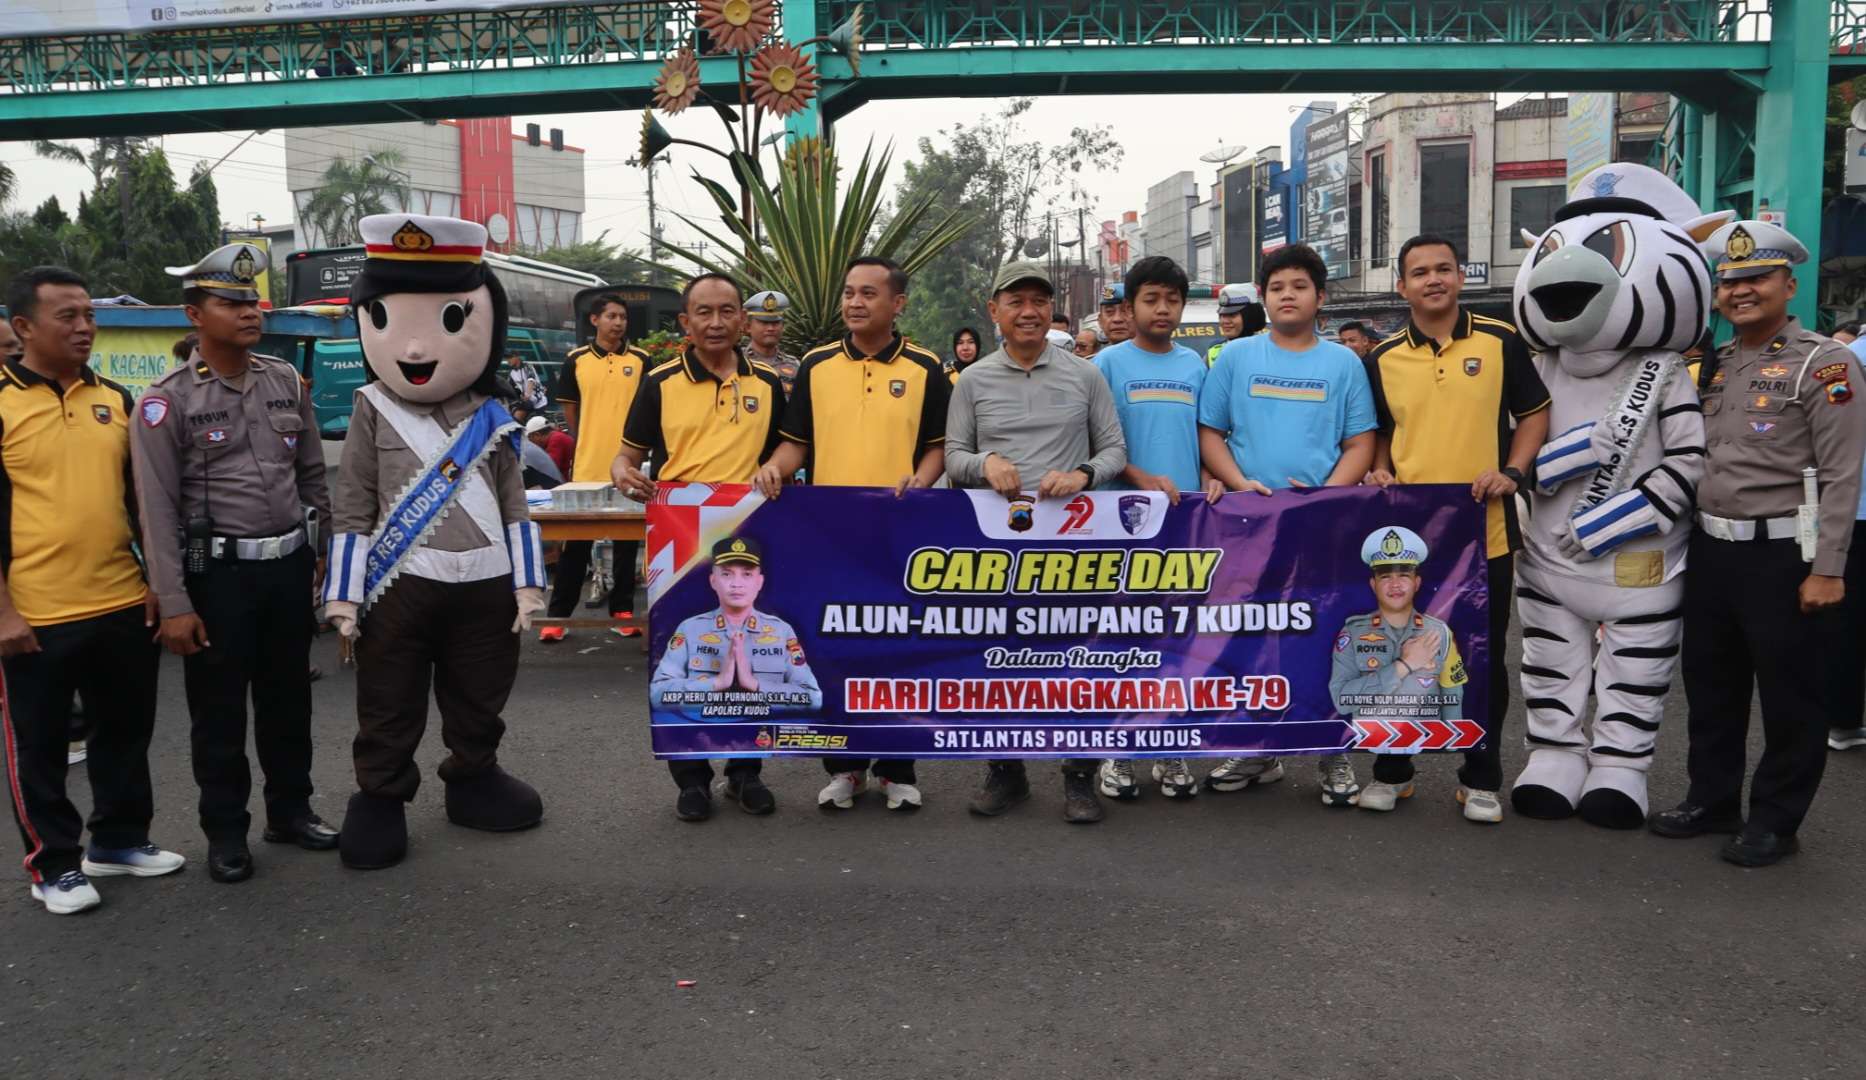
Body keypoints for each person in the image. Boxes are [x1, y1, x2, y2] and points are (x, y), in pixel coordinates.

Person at [321, 214, 547, 871]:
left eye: (450, 319)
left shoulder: (492, 416)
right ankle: (382, 794)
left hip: (485, 585)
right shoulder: (370, 405)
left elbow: (514, 501)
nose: (416, 349)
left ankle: (473, 774)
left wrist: (528, 585)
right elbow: (354, 500)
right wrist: (344, 594)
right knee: (389, 697)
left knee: (480, 691)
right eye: (389, 320)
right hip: (399, 587)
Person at [1651, 220, 1866, 867]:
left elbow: (1842, 473)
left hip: (1784, 556)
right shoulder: (1713, 363)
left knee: (1789, 693)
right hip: (1713, 552)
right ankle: (1712, 799)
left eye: (1756, 277)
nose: (1741, 291)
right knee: (1711, 686)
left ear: (1788, 284)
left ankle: (1776, 817)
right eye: (1731, 281)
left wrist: (1829, 568)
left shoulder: (1824, 363)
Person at [131, 242, 338, 884]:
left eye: (252, 301)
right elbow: (156, 511)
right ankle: (226, 831)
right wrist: (174, 602)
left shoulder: (284, 381)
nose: (249, 313)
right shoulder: (166, 402)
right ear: (195, 315)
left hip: (285, 568)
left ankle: (291, 811)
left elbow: (310, 476)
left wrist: (325, 551)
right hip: (216, 577)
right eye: (230, 302)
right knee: (219, 712)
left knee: (288, 701)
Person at [2, 266, 182, 915]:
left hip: (120, 599)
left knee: (124, 733)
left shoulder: (114, 398)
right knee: (41, 744)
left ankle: (119, 840)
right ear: (23, 327)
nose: (83, 328)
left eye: (88, 315)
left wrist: (158, 582)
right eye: (67, 317)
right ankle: (52, 865)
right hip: (35, 614)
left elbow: (140, 503)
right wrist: (3, 612)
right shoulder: (1, 401)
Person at [1360, 234, 1551, 823]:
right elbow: (1381, 433)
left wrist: (1513, 472)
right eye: (1419, 272)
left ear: (1460, 276)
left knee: (1481, 654)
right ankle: (1394, 769)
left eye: (1443, 268)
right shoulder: (1383, 356)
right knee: (1396, 654)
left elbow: (1535, 412)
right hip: (1406, 542)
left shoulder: (1500, 342)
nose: (1433, 279)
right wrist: (1382, 468)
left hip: (1484, 531)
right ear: (1402, 286)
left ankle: (1481, 774)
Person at [752, 256, 948, 811]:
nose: (854, 303)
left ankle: (896, 769)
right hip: (830, 534)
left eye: (868, 293)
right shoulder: (815, 366)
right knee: (833, 646)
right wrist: (775, 468)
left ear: (897, 304)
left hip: (901, 533)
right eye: (848, 294)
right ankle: (844, 768)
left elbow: (936, 447)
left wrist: (923, 480)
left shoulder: (925, 367)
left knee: (898, 647)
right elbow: (797, 443)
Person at [945, 261, 1127, 823]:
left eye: (1039, 301)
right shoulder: (972, 380)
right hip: (995, 549)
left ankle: (1079, 776)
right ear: (994, 311)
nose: (1028, 311)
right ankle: (1007, 772)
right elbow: (953, 459)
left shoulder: (1085, 374)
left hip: (1072, 547)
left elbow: (1114, 452)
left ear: (1051, 312)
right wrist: (986, 462)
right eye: (1015, 301)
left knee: (1079, 660)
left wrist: (1083, 476)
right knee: (999, 659)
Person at [1198, 243, 1376, 806]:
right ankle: (1258, 746)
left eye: (1299, 286)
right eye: (1276, 288)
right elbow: (1210, 432)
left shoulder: (1343, 363)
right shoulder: (1235, 358)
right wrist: (1239, 483)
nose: (1287, 295)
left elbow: (1360, 442)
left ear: (1319, 297)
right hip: (1248, 524)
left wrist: (1327, 498)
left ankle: (1333, 753)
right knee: (1253, 637)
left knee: (1326, 636)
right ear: (1264, 298)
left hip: (1322, 526)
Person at [613, 273, 788, 821]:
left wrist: (777, 467)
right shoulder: (659, 382)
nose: (716, 322)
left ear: (743, 319)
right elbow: (626, 456)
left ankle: (744, 772)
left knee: (750, 652)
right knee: (685, 656)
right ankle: (690, 777)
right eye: (704, 313)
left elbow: (787, 450)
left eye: (727, 311)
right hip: (680, 537)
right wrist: (624, 475)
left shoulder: (768, 382)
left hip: (749, 534)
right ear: (685, 323)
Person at [1087, 256, 1210, 802]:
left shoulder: (1196, 366)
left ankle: (1168, 744)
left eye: (1172, 300)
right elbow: (1101, 444)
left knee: (1176, 637)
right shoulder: (1106, 365)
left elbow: (1208, 436)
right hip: (1121, 520)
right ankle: (1117, 750)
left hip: (1184, 523)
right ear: (1129, 306)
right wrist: (1141, 478)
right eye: (1150, 299)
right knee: (1121, 637)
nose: (1162, 310)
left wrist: (1209, 480)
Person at [1330, 526, 1467, 811]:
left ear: (1417, 582)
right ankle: (1390, 778)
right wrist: (1404, 665)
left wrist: (1453, 734)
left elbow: (1452, 686)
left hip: (1423, 727)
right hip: (1374, 731)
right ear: (1373, 584)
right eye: (1385, 577)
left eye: (1403, 575)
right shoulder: (1353, 632)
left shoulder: (1438, 632)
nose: (1395, 585)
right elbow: (1342, 700)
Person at [546, 292, 649, 642]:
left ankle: (622, 611)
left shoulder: (641, 360)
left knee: (625, 543)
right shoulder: (575, 360)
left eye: (622, 316)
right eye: (611, 316)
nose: (618, 322)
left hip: (630, 467)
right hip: (587, 467)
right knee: (575, 544)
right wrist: (587, 442)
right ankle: (558, 615)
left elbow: (646, 413)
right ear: (595, 321)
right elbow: (571, 413)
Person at [651, 536, 822, 713]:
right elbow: (657, 695)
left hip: (763, 733)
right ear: (713, 581)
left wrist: (753, 684)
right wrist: (717, 683)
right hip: (702, 735)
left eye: (747, 574)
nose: (736, 584)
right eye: (726, 574)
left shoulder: (781, 631)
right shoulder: (690, 629)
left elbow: (812, 698)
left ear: (759, 582)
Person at [1832, 328, 1866, 752]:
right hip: (1855, 507)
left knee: (1848, 622)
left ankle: (1841, 718)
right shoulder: (1850, 357)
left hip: (1852, 507)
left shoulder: (1845, 356)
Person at [744, 290, 801, 393]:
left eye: (775, 323)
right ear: (748, 327)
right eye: (764, 323)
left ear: (783, 326)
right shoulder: (738, 362)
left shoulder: (794, 366)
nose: (770, 328)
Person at [1206, 282, 1265, 366]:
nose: (1225, 321)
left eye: (1232, 315)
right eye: (1221, 315)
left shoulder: (1267, 351)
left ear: (1250, 317)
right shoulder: (1214, 350)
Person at [521, 415, 565, 487]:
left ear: (537, 435)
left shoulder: (556, 440)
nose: (530, 442)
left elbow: (552, 466)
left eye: (530, 438)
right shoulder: (558, 436)